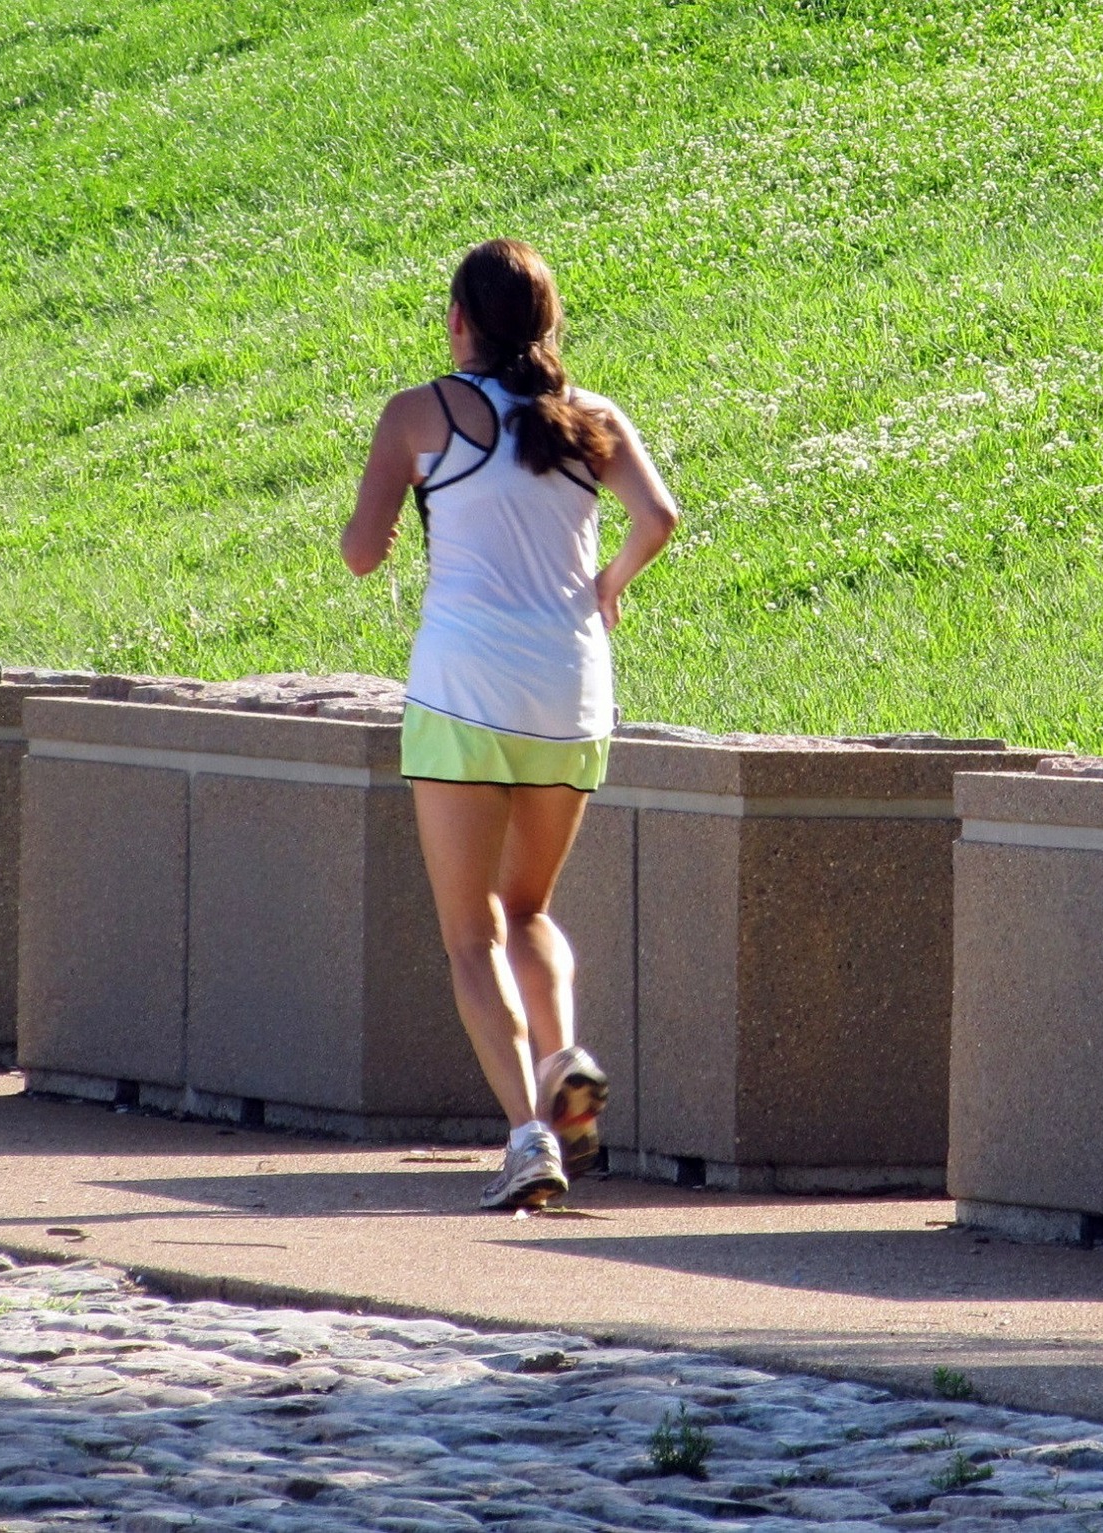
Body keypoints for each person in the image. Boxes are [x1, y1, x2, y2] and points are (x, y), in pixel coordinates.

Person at [341, 238, 679, 1210]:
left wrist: (402, 500)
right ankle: (563, 1056)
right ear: (549, 322)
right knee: (528, 908)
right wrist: (605, 590)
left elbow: (363, 556)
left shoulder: (420, 413)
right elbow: (659, 518)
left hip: (462, 690)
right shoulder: (592, 419)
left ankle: (531, 1137)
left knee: (468, 932)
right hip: (570, 691)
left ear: (459, 322)